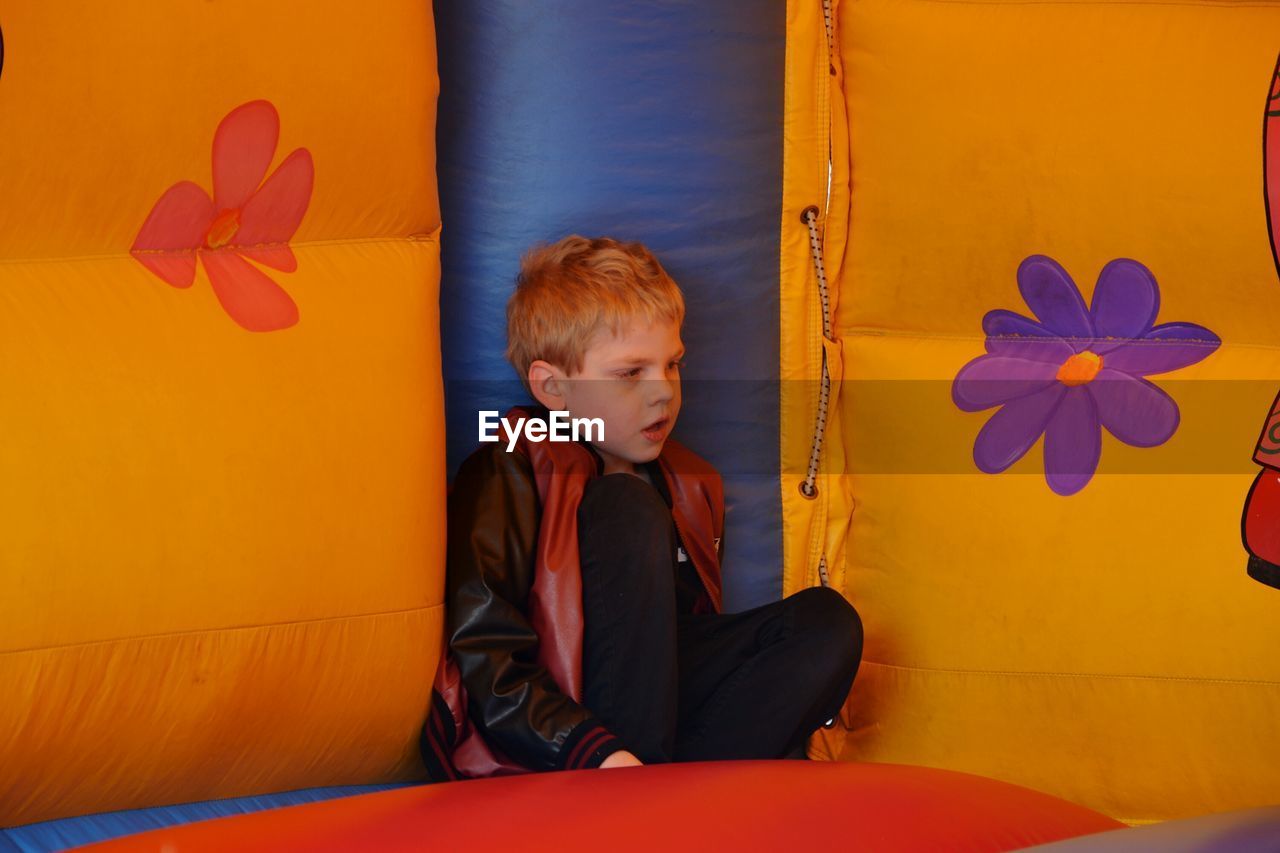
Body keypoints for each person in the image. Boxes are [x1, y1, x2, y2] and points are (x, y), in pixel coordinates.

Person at [419, 235, 862, 779]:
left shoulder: (687, 483)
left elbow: (674, 646)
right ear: (554, 388)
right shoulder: (509, 467)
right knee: (625, 507)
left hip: (662, 729)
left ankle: (677, 804)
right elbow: (486, 658)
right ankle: (639, 794)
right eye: (630, 374)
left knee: (825, 621)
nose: (663, 393)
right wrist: (595, 751)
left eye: (672, 365)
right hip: (562, 738)